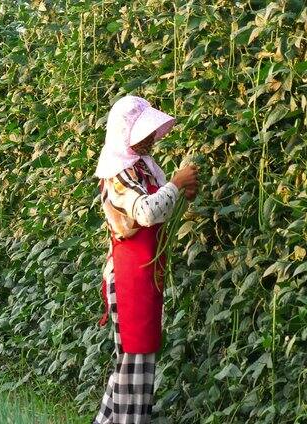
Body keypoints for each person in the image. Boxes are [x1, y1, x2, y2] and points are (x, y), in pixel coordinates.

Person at [92, 95, 199, 424]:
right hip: (128, 279)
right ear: (125, 134)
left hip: (143, 273)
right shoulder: (119, 176)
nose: (152, 138)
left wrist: (180, 190)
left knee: (134, 362)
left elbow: (163, 201)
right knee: (135, 363)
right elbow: (147, 211)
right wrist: (175, 186)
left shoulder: (143, 168)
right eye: (143, 133)